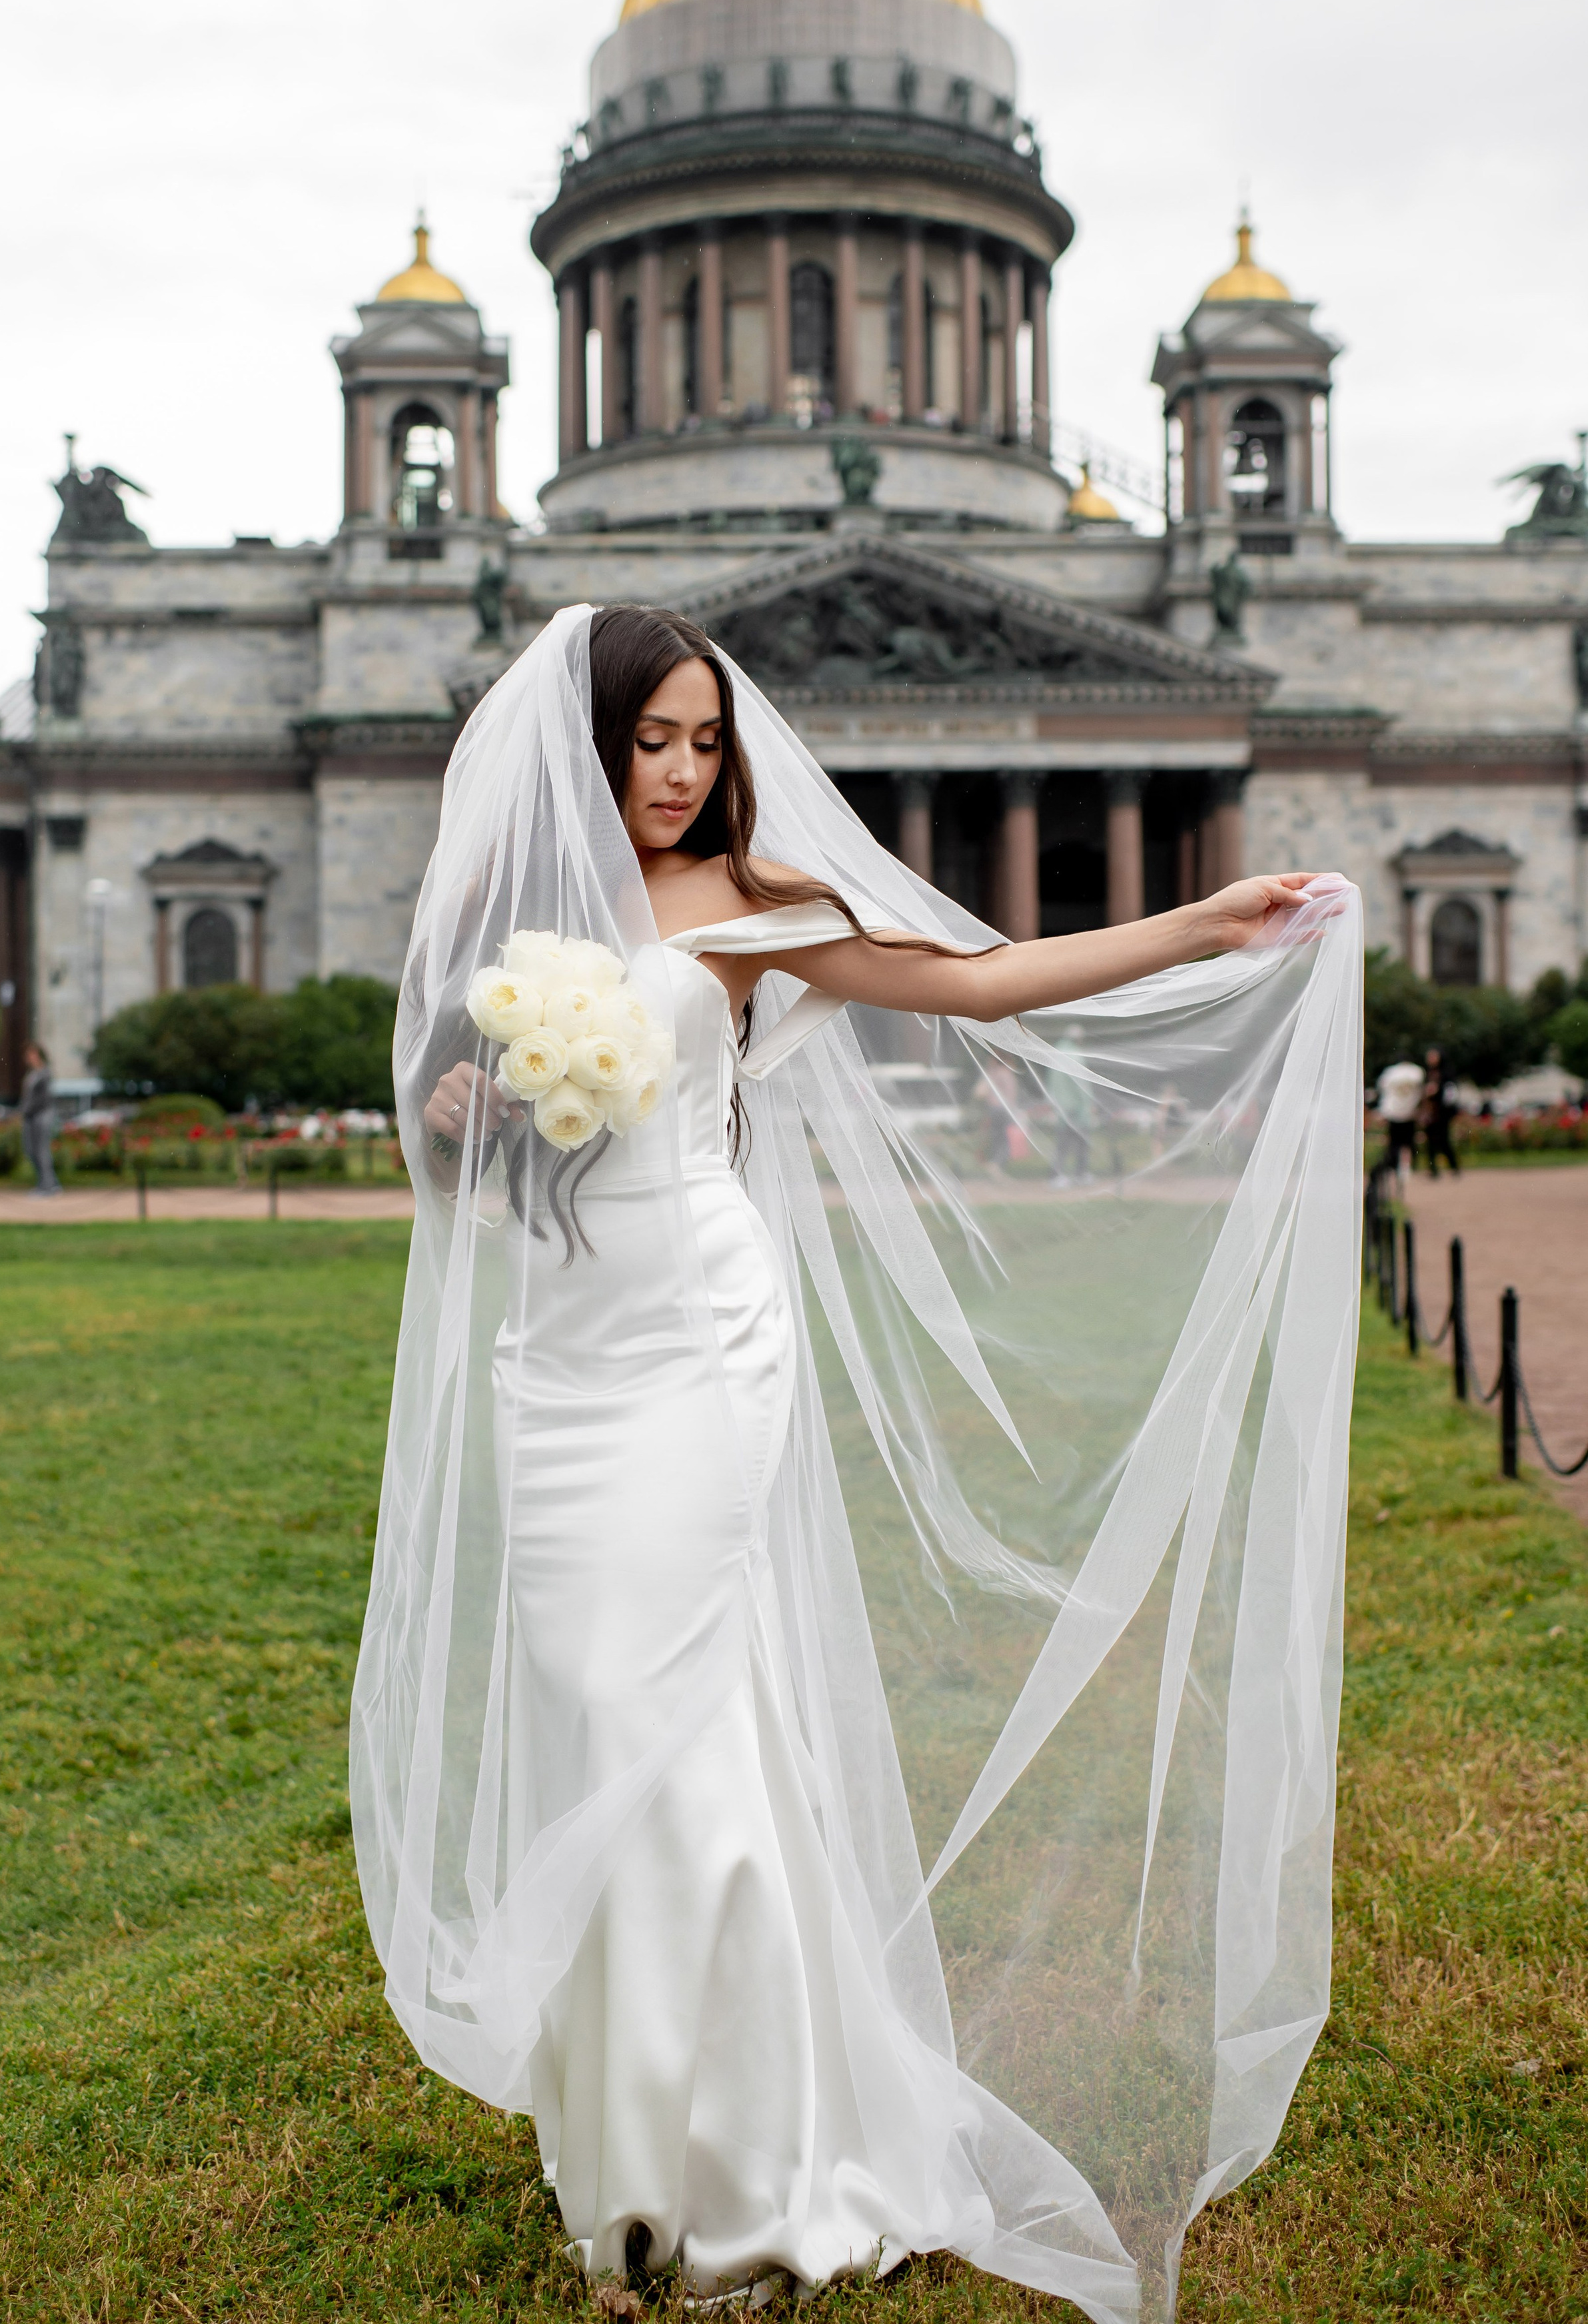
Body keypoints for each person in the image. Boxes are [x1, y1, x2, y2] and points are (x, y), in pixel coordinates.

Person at [351, 604, 1361, 2323]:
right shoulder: (510, 918)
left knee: (668, 1717)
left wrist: (1204, 920)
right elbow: (464, 1165)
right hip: (557, 1359)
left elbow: (976, 977)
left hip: (697, 1340)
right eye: (650, 740)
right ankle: (631, 2162)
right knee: (595, 1715)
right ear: (586, 745)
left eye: (703, 741)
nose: (681, 772)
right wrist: (459, 1121)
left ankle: (745, 2183)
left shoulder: (753, 906)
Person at [19, 1043, 61, 1195]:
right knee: (31, 1150)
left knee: (41, 1151)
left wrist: (28, 1109)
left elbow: (43, 1099)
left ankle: (48, 1186)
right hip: (31, 1116)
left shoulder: (45, 1074)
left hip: (42, 1115)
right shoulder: (31, 1074)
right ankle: (48, 1182)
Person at [1374, 1055, 1425, 1179]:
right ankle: (1407, 1166)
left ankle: (1395, 1165)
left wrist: (1383, 1111)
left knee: (1395, 1142)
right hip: (1410, 1112)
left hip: (1394, 1113)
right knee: (1408, 1141)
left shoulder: (1390, 1073)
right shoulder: (1416, 1072)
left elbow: (1383, 1090)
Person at [1417, 1046, 1459, 1177]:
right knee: (1430, 1141)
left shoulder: (1446, 1073)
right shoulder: (1427, 1073)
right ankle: (1433, 1169)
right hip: (1430, 1112)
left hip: (1442, 1112)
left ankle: (1454, 1166)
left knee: (1443, 1140)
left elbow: (1450, 1093)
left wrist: (1437, 1090)